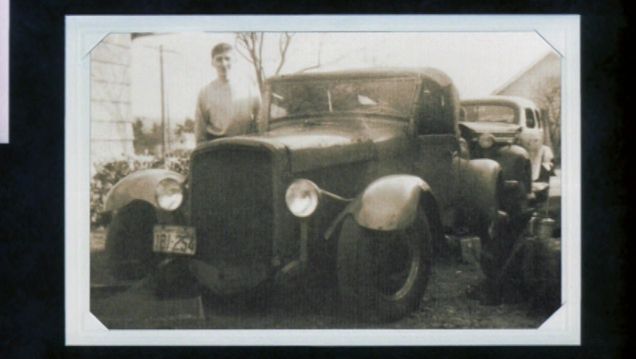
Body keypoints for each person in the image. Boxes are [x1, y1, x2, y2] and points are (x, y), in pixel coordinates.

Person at [194, 42, 261, 143]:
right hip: (217, 148)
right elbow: (200, 129)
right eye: (219, 59)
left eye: (227, 58)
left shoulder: (249, 88)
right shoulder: (205, 92)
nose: (224, 64)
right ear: (212, 62)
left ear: (234, 61)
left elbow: (260, 120)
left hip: (246, 146)